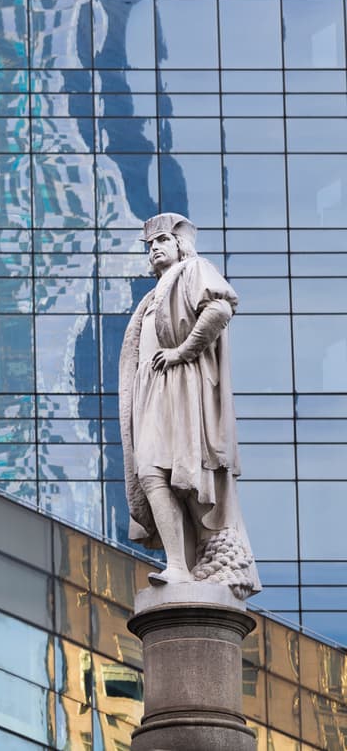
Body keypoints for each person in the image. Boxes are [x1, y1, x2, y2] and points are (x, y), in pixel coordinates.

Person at [119, 213, 261, 598]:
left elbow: (219, 309)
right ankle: (178, 565)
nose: (154, 249)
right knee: (150, 473)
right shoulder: (152, 296)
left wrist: (183, 350)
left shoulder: (194, 269)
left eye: (161, 241)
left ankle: (200, 564)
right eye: (149, 245)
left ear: (180, 244)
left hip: (182, 391)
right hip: (153, 393)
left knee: (182, 473)